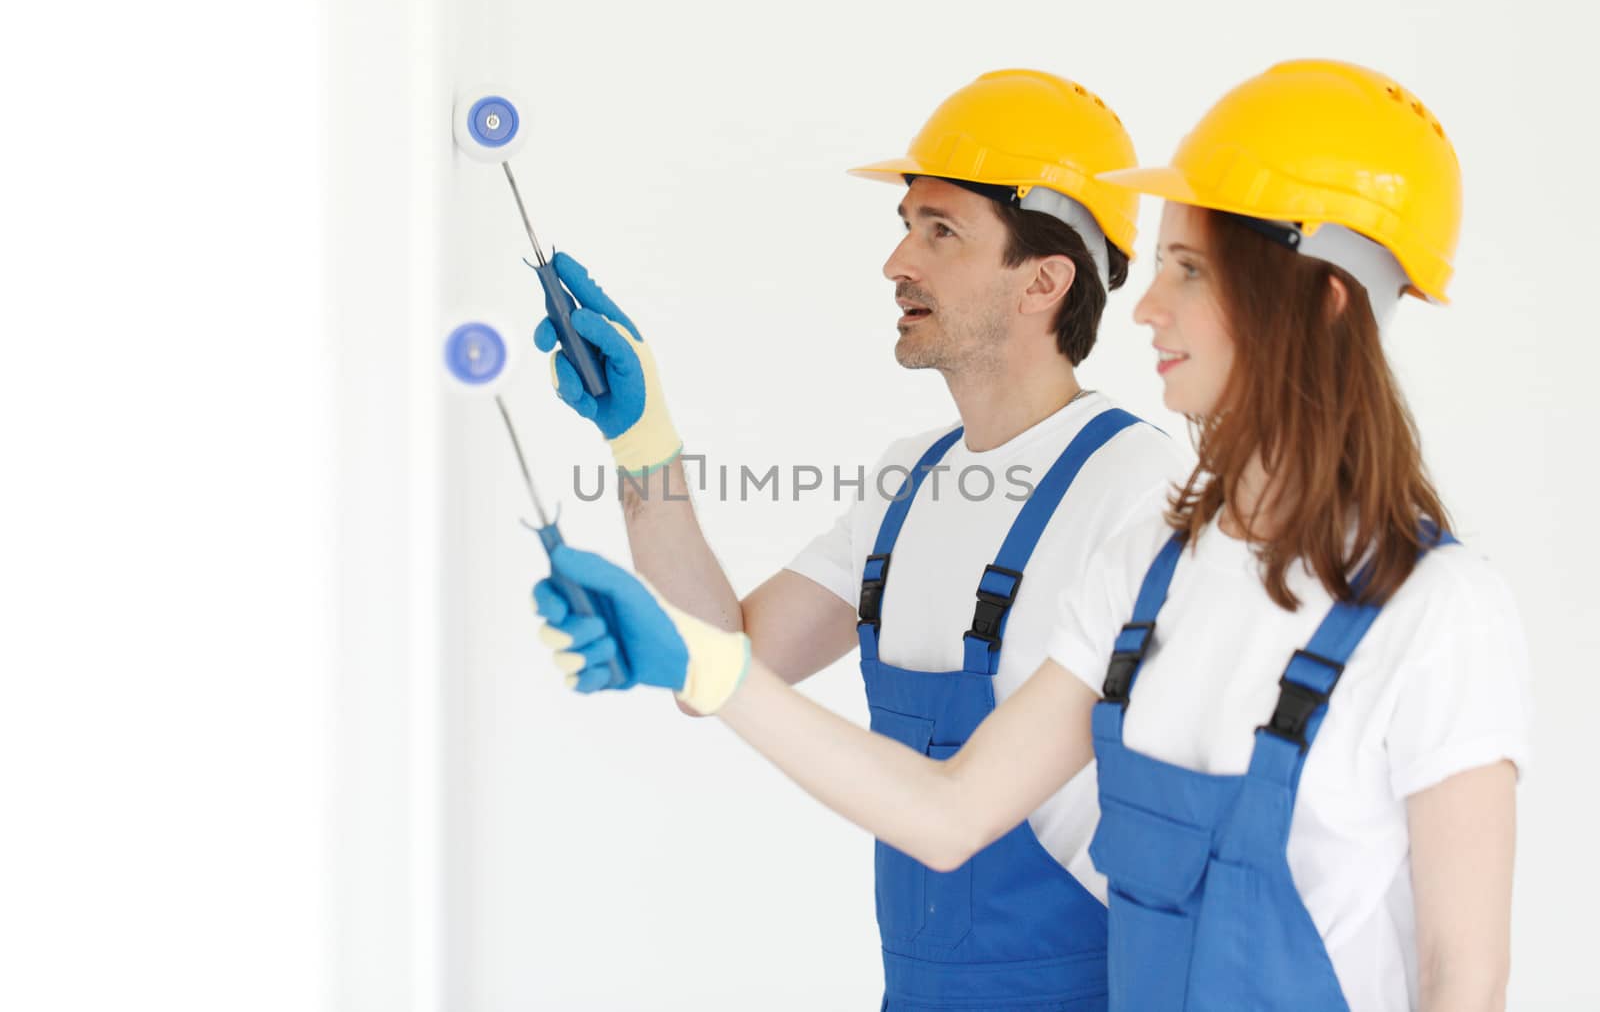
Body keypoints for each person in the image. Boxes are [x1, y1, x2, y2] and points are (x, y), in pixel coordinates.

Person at [536, 59, 1532, 1011]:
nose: (1148, 301)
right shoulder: (1148, 556)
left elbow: (1462, 976)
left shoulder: (1403, 599)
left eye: (1187, 265)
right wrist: (645, 450)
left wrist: (712, 669)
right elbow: (912, 785)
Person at [532, 70, 1180, 1010]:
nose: (897, 262)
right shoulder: (907, 483)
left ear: (1046, 279)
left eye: (940, 230)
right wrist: (644, 443)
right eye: (906, 223)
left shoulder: (1137, 492)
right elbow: (728, 660)